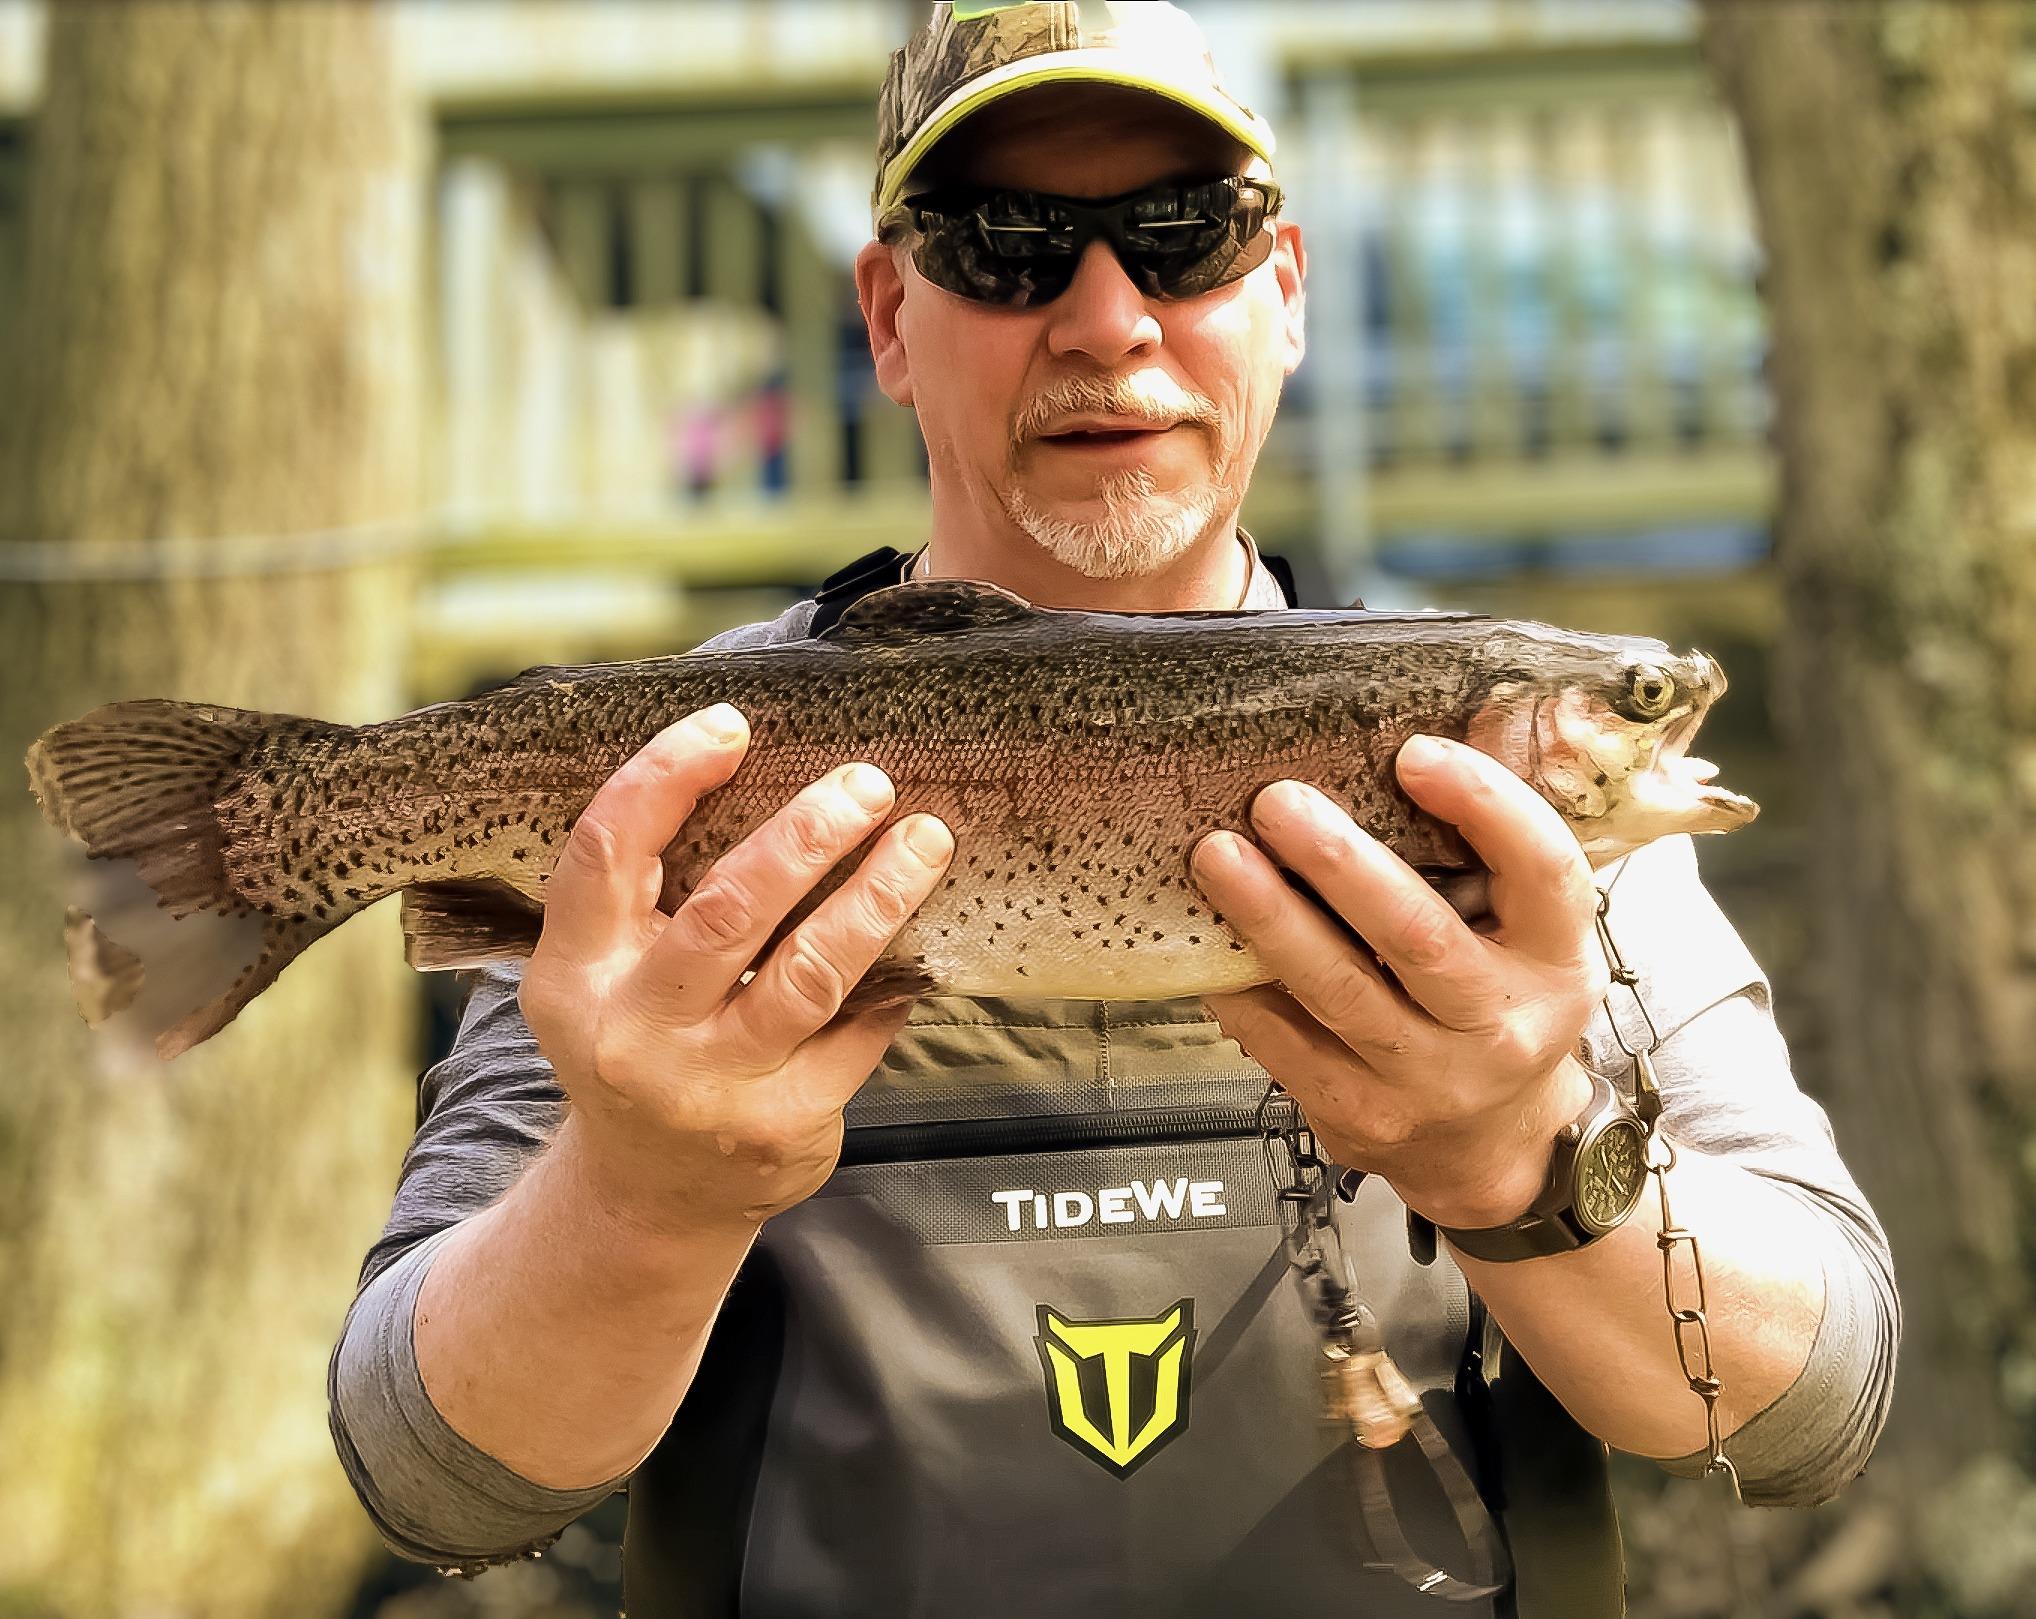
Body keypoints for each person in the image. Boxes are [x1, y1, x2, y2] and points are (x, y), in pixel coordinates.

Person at [329, 4, 1898, 1613]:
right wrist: (639, 1196)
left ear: (1284, 291)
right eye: (1006, 244)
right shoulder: (684, 777)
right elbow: (427, 1475)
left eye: (1182, 234)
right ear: (888, 316)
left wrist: (1524, 1160)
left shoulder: (1502, 793)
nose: (1104, 318)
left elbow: (1815, 1406)